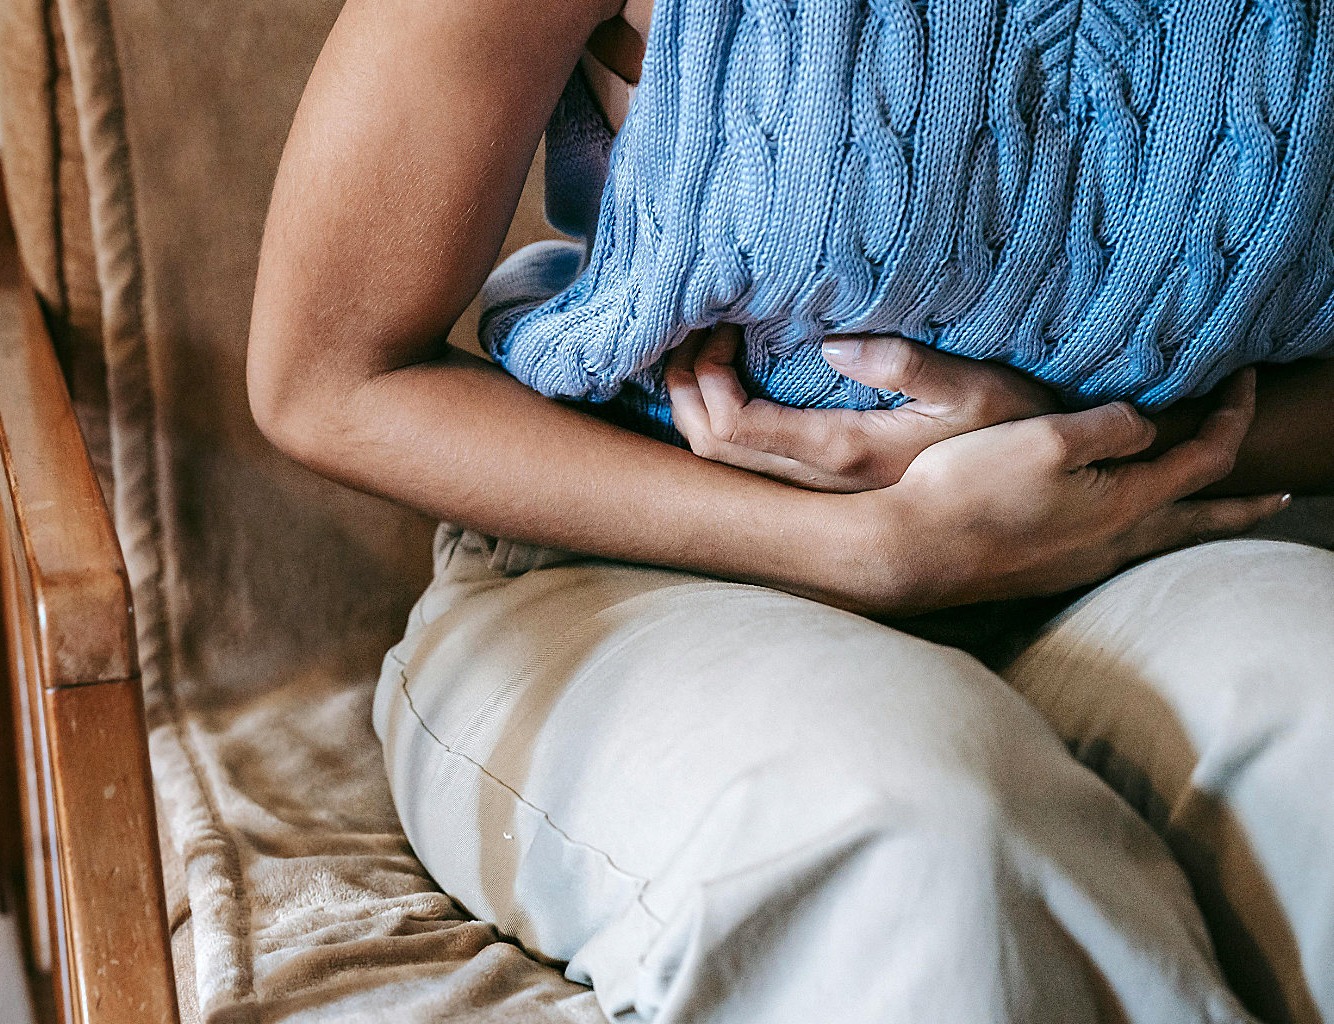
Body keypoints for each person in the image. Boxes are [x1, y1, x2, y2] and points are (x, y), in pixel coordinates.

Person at [245, 0, 1334, 1020]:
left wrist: (1081, 442)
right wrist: (866, 548)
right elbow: (329, 377)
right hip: (642, 571)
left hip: (1151, 541)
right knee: (922, 840)